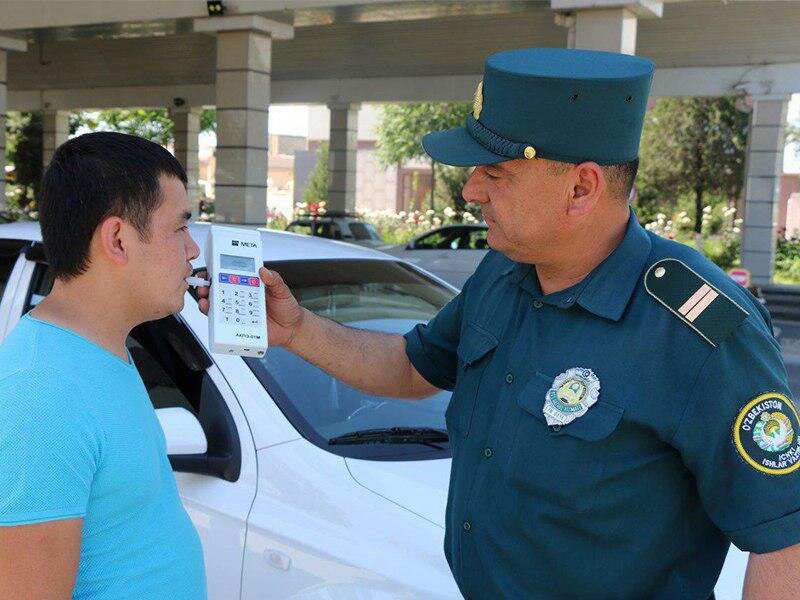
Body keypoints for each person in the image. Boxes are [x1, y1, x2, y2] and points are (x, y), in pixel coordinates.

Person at [197, 48, 800, 598]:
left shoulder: (700, 330)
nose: (470, 189)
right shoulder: (506, 273)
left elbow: (784, 539)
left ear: (582, 187)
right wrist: (298, 329)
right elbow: (413, 369)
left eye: (497, 172)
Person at [0, 132, 206, 599]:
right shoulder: (39, 393)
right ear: (117, 239)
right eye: (180, 227)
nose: (193, 250)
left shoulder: (101, 350)